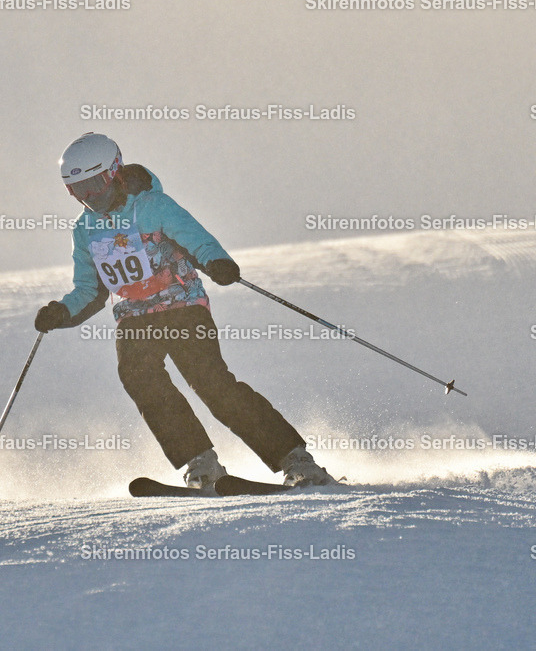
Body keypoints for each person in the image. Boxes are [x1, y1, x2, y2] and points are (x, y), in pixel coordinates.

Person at [35, 132, 334, 490]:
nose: (90, 197)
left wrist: (217, 261)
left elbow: (196, 239)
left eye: (95, 185)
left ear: (114, 172)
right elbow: (89, 290)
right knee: (139, 378)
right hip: (133, 317)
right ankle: (201, 463)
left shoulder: (154, 206)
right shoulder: (85, 229)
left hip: (183, 307)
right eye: (78, 190)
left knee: (211, 383)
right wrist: (61, 313)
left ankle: (296, 460)